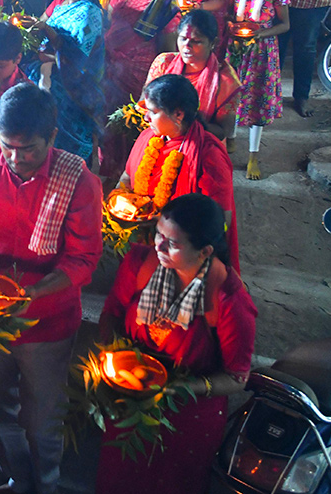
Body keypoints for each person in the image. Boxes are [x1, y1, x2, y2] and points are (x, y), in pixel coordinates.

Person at [0, 83, 102, 494]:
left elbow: (83, 259)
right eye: (7, 146)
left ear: (52, 136)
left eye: (28, 149)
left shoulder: (78, 181)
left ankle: (46, 484)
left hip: (48, 319)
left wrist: (34, 293)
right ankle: (19, 477)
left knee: (43, 415)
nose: (16, 159)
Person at [95, 195, 256, 494]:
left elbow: (236, 377)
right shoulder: (141, 261)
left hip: (186, 417)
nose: (159, 246)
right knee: (120, 477)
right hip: (130, 400)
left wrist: (175, 389)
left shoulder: (229, 299)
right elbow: (114, 310)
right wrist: (112, 354)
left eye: (173, 242)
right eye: (158, 233)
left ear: (205, 251)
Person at [121, 74, 238, 270]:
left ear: (178, 114)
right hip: (143, 242)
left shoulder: (208, 155)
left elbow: (220, 220)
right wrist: (119, 202)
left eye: (153, 112)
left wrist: (164, 226)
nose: (145, 117)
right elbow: (126, 178)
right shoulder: (147, 137)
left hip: (184, 256)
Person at [226, 0, 291, 180]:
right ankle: (230, 138)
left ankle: (253, 155)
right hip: (236, 47)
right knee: (231, 95)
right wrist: (232, 25)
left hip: (262, 51)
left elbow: (284, 25)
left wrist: (260, 33)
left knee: (257, 101)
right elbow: (229, 16)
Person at [35, 0, 105, 163]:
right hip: (51, 68)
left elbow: (76, 58)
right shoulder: (64, 5)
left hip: (75, 85)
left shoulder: (88, 14)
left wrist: (46, 31)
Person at [145, 10, 241, 141]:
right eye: (183, 39)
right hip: (158, 138)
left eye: (196, 41)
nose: (187, 47)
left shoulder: (225, 81)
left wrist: (191, 121)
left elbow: (224, 131)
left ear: (213, 43)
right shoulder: (164, 63)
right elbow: (144, 105)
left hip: (202, 145)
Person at [103, 0, 176, 110]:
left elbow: (167, 49)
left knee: (127, 118)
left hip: (137, 71)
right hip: (110, 63)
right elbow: (110, 15)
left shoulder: (163, 3)